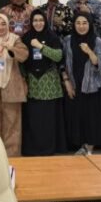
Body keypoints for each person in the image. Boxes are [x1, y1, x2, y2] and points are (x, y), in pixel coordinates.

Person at [62, 13, 101, 155]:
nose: (81, 26)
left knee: (92, 119)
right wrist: (67, 83)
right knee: (77, 117)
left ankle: (89, 147)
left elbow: (100, 64)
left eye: (84, 23)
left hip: (93, 87)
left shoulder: (97, 41)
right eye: (78, 23)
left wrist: (89, 51)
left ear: (89, 25)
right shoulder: (68, 40)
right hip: (74, 84)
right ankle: (81, 145)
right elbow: (62, 63)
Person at [21, 9, 65, 156]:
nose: (38, 23)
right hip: (32, 83)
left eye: (41, 20)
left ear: (45, 22)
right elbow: (21, 60)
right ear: (31, 22)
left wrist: (41, 47)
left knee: (48, 120)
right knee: (34, 119)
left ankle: (49, 149)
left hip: (49, 83)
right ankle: (34, 149)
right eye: (35, 20)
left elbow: (58, 56)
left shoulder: (51, 36)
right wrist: (23, 79)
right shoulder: (26, 37)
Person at [0, 14, 29, 156]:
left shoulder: (15, 39)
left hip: (12, 89)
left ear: (8, 25)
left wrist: (11, 49)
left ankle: (13, 156)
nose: (0, 27)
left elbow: (24, 55)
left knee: (13, 127)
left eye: (3, 24)